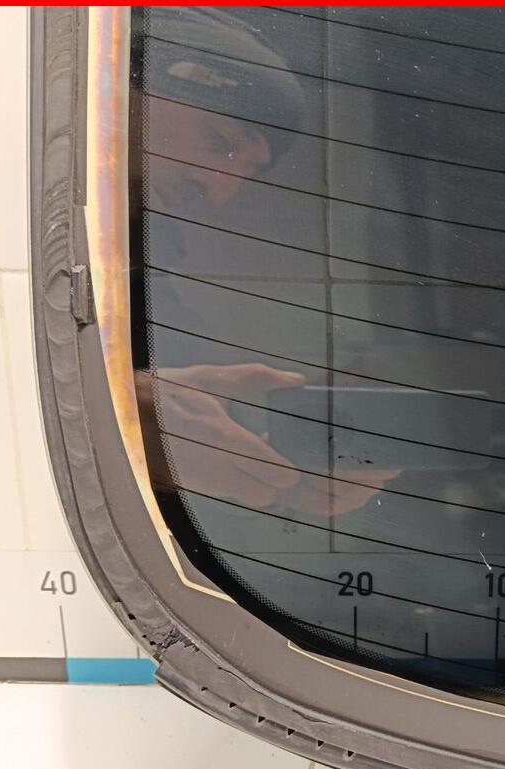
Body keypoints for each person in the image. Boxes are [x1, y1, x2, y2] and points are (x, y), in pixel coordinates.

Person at [136, 9, 398, 517]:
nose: (220, 190)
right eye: (219, 141)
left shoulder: (150, 292)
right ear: (133, 92)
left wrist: (281, 472)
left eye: (247, 173)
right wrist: (129, 416)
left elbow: (194, 412)